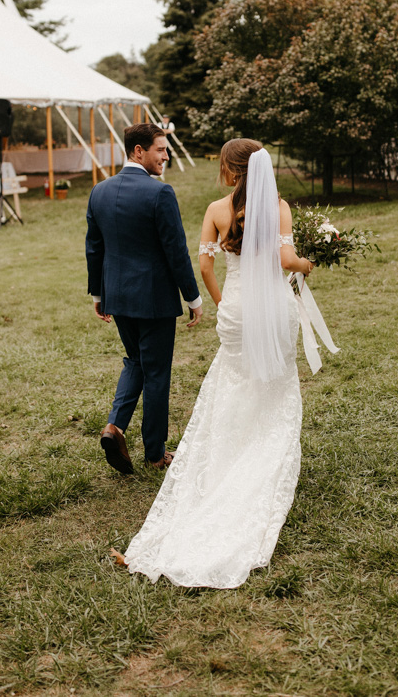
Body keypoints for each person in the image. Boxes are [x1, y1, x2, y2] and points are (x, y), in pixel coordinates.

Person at [122, 138, 314, 588]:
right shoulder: (280, 208)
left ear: (231, 170)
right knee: (275, 385)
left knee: (232, 386)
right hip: (273, 312)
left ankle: (227, 462)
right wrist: (309, 263)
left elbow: (205, 268)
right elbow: (286, 260)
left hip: (236, 311)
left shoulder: (215, 209)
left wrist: (226, 304)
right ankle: (261, 458)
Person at [86, 123, 203, 473]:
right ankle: (155, 455)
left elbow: (94, 247)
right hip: (154, 301)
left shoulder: (99, 191)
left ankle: (114, 426)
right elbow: (176, 251)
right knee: (156, 373)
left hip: (117, 296)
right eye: (160, 149)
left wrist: (98, 292)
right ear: (139, 151)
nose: (166, 155)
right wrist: (193, 298)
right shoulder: (159, 193)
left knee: (135, 360)